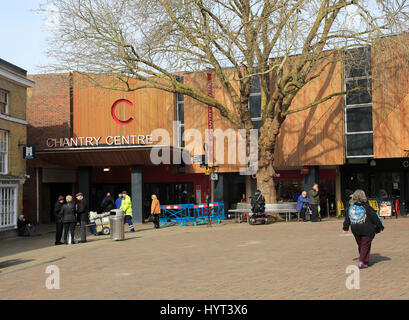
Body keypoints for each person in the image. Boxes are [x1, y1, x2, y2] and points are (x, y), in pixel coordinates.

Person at [343, 189, 384, 269]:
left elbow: (347, 218)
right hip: (367, 229)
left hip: (355, 229)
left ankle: (365, 261)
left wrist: (345, 227)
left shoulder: (351, 208)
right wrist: (380, 226)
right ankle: (361, 261)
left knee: (362, 245)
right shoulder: (367, 207)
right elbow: (374, 217)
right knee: (365, 245)